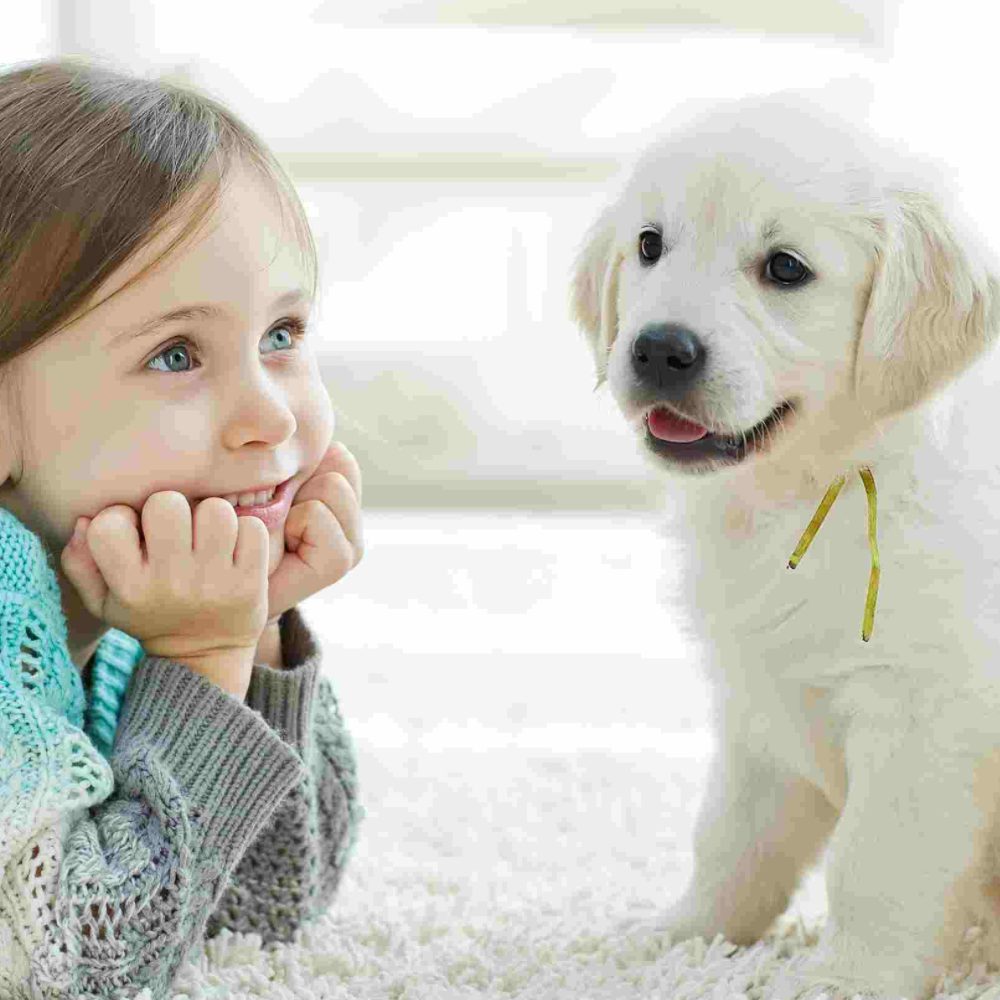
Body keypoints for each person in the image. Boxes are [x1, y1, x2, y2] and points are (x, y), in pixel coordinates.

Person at [0, 56, 365, 998]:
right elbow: (73, 965)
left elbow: (264, 906)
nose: (273, 419)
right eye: (175, 354)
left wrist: (255, 636)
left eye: (281, 336)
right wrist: (202, 651)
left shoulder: (126, 587)